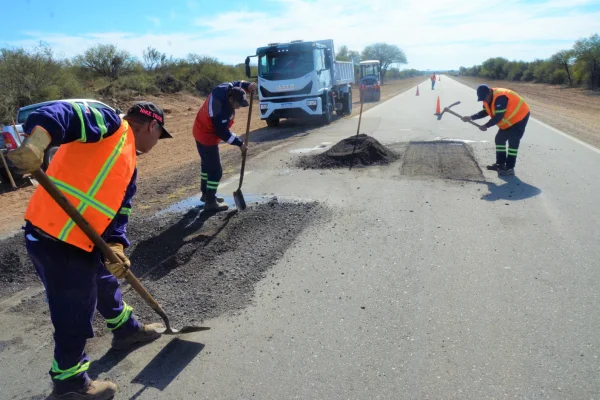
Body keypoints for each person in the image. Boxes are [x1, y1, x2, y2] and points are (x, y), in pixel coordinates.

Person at [7, 100, 172, 400]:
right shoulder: (109, 123)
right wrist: (37, 143)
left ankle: (126, 330)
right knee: (74, 309)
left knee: (105, 281)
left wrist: (116, 245)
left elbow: (120, 210)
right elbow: (63, 112)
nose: (157, 143)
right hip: (55, 237)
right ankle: (69, 382)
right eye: (159, 136)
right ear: (152, 125)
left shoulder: (128, 161)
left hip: (84, 240)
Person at [192, 81, 258, 212]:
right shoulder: (218, 110)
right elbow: (223, 133)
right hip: (207, 136)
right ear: (230, 98)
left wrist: (247, 85)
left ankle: (206, 194)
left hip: (199, 129)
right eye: (237, 104)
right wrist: (240, 144)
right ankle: (210, 202)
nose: (238, 108)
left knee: (206, 165)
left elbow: (236, 83)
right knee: (216, 170)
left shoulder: (226, 88)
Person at [462, 84, 530, 176]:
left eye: (485, 98)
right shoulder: (486, 99)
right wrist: (471, 117)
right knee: (499, 139)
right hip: (508, 120)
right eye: (482, 99)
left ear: (489, 92)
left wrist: (486, 125)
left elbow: (498, 116)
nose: (484, 100)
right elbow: (485, 112)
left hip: (519, 117)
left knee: (513, 142)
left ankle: (510, 168)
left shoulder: (500, 97)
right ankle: (500, 164)